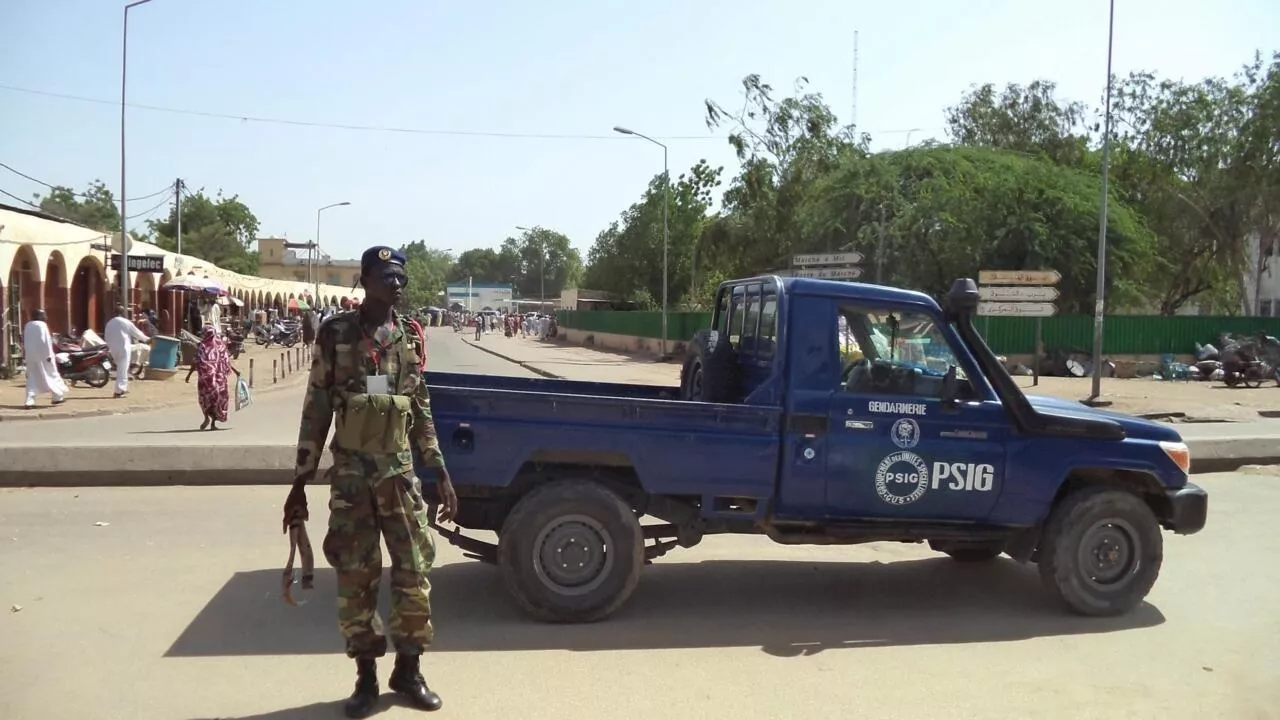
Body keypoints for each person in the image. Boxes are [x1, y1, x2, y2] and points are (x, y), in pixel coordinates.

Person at [283, 245, 458, 718]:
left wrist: (438, 469)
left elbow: (419, 408)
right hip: (352, 480)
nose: (395, 284)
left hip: (399, 477)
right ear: (364, 280)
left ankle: (409, 668)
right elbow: (316, 407)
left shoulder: (409, 336)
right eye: (386, 276)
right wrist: (300, 480)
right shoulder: (336, 333)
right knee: (357, 577)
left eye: (400, 277)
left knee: (414, 573)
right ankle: (365, 678)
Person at [185, 325, 241, 430]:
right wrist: (236, 371)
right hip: (220, 381)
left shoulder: (202, 346)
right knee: (218, 400)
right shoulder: (221, 345)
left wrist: (189, 375)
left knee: (205, 400)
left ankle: (207, 417)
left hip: (205, 381)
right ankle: (213, 423)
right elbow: (226, 361)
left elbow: (195, 361)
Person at [22, 309, 69, 408]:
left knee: (32, 378)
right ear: (40, 316)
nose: (46, 317)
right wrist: (48, 356)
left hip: (31, 356)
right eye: (44, 315)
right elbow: (46, 342)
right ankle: (57, 396)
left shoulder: (28, 325)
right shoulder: (42, 325)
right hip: (44, 357)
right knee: (52, 375)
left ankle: (29, 400)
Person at [104, 305, 149, 398]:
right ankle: (119, 391)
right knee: (123, 369)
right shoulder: (125, 322)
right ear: (122, 313)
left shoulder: (109, 323)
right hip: (123, 348)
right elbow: (137, 333)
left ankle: (121, 388)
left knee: (120, 369)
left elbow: (106, 336)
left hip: (112, 349)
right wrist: (147, 339)